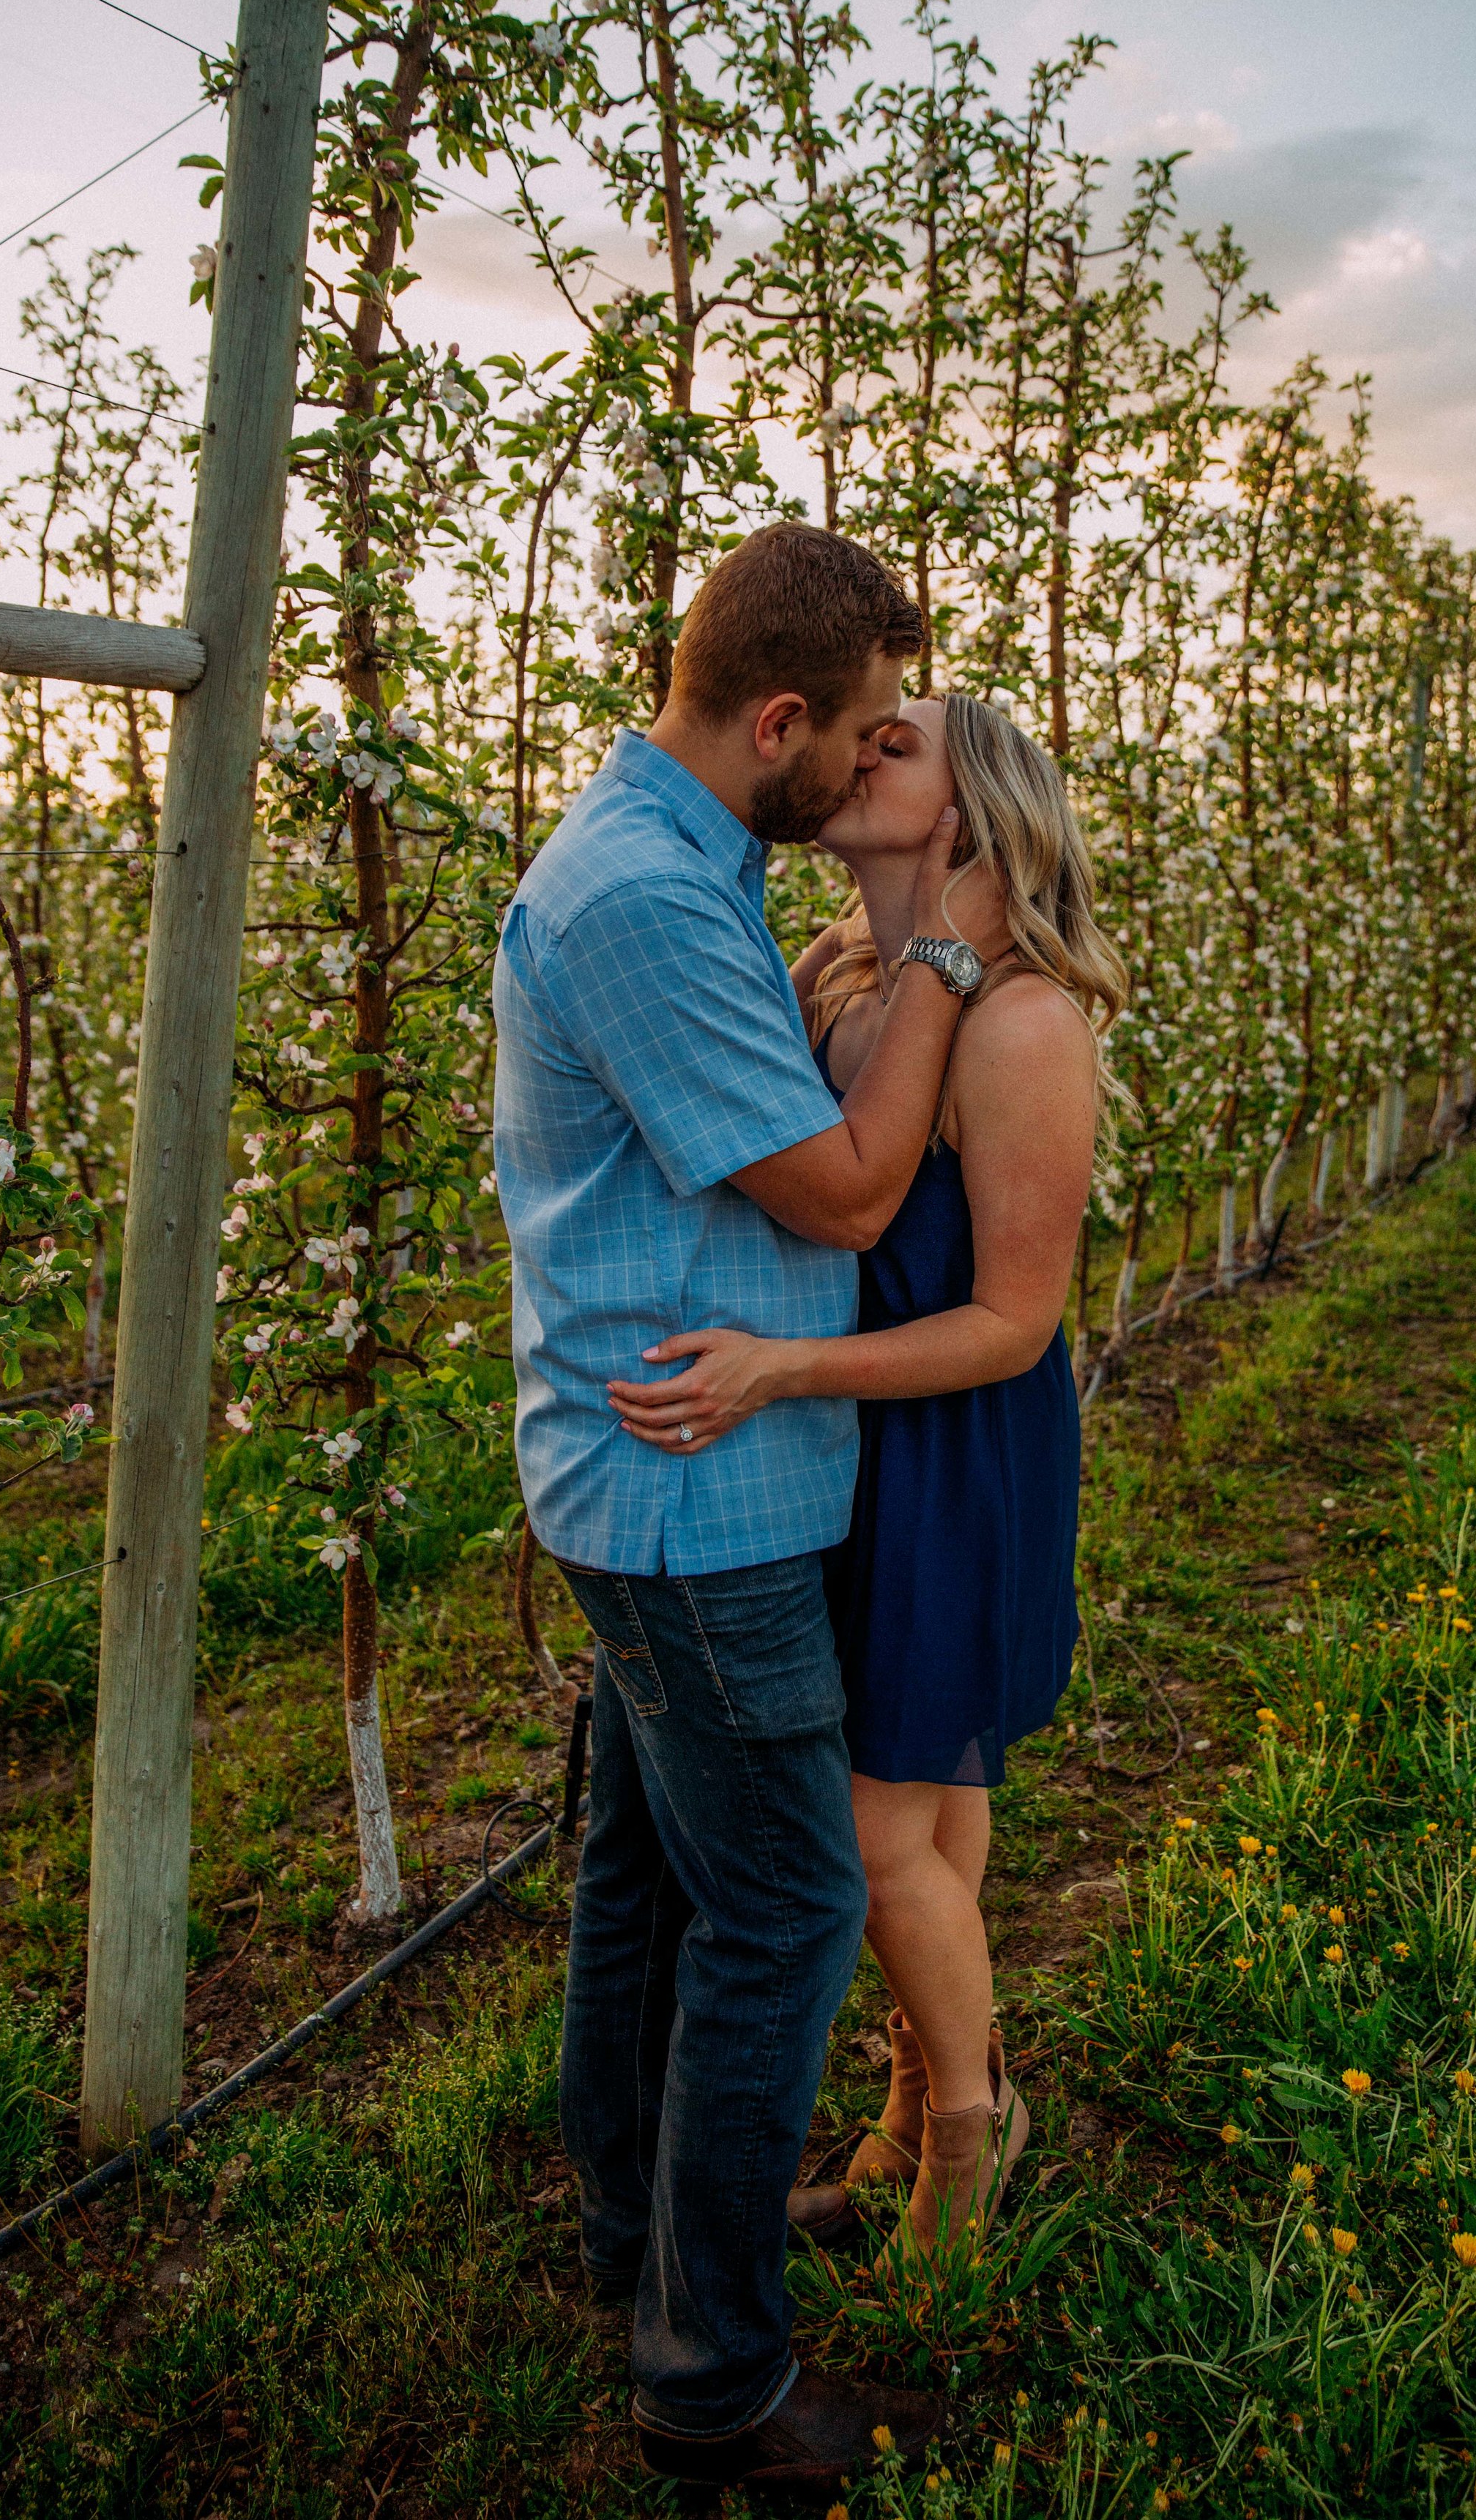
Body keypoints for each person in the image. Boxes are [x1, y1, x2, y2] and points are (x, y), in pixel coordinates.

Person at [491, 527, 1002, 2500]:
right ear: (777, 720)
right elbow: (855, 1193)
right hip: (690, 1495)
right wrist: (946, 951)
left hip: (670, 1468)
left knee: (646, 1877)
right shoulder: (644, 893)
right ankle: (710, 2373)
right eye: (863, 729)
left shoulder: (688, 871)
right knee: (784, 1903)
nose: (875, 757)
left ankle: (636, 2235)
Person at [608, 692, 1125, 2262]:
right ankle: (914, 2102)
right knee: (931, 1789)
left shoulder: (1024, 1023)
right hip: (864, 1445)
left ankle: (968, 2139)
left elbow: (1015, 1322)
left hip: (955, 1447)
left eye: (891, 745)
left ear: (962, 816)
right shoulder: (845, 982)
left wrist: (782, 1369)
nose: (850, 752)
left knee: (867, 1823)